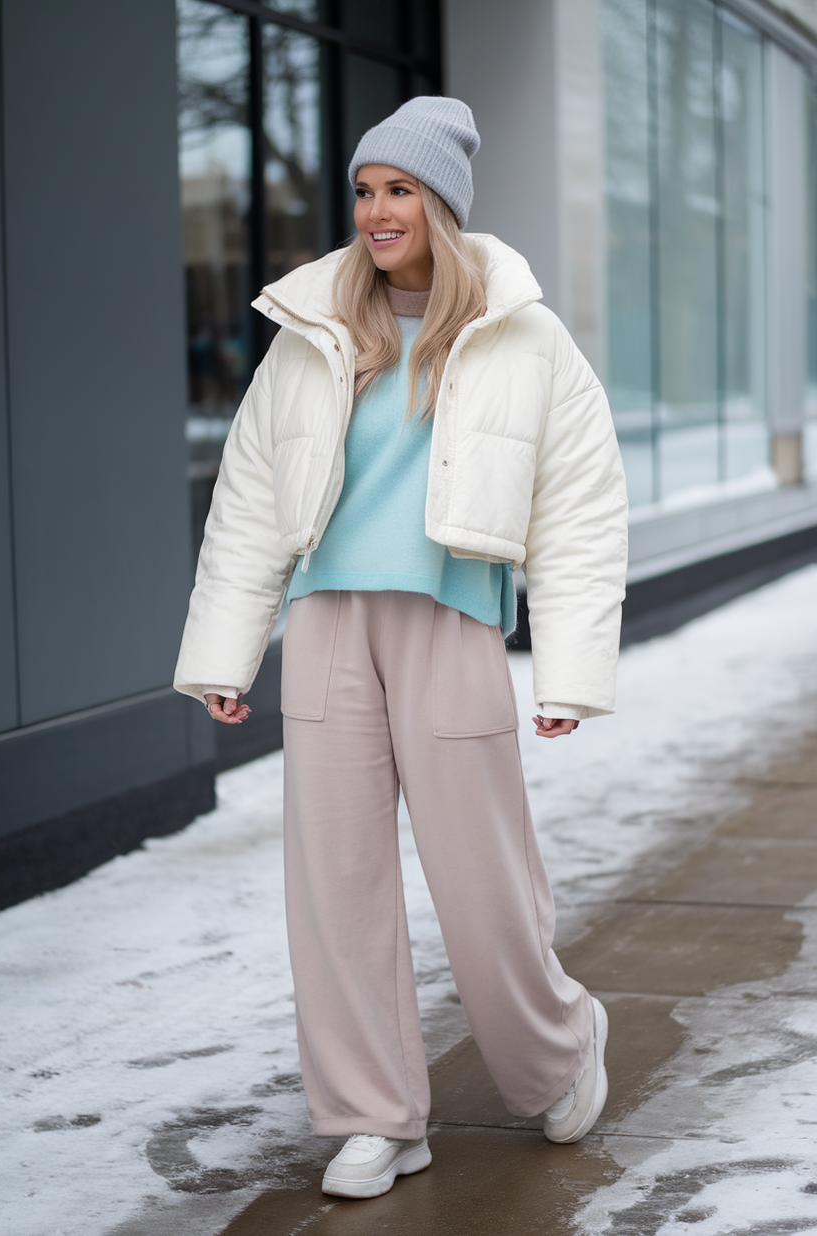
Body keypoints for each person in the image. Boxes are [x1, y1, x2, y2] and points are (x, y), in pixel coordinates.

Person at [174, 96, 628, 1201]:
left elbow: (577, 508)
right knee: (334, 885)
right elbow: (248, 498)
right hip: (328, 622)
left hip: (449, 621)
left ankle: (558, 1047)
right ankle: (374, 1115)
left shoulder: (522, 334)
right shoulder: (314, 331)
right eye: (366, 191)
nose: (378, 211)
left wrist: (568, 671)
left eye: (399, 191)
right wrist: (227, 652)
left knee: (482, 883)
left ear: (441, 205)